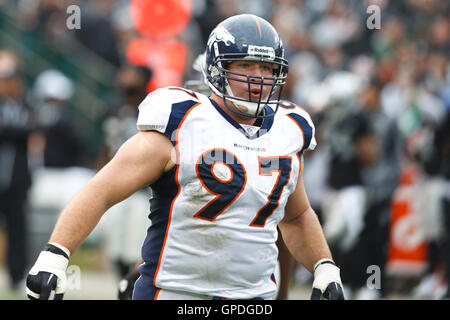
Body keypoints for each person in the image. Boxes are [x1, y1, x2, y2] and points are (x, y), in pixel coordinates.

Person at [25, 14, 344, 300]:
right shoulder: (182, 123)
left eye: (267, 67)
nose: (258, 78)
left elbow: (296, 216)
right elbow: (101, 191)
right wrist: (56, 253)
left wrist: (323, 265)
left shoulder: (287, 132)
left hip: (253, 298)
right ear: (218, 69)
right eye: (245, 65)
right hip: (175, 292)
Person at [0, 49, 34, 291]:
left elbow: (29, 131)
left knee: (17, 230)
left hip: (16, 180)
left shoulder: (27, 105)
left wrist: (8, 131)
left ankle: (16, 276)